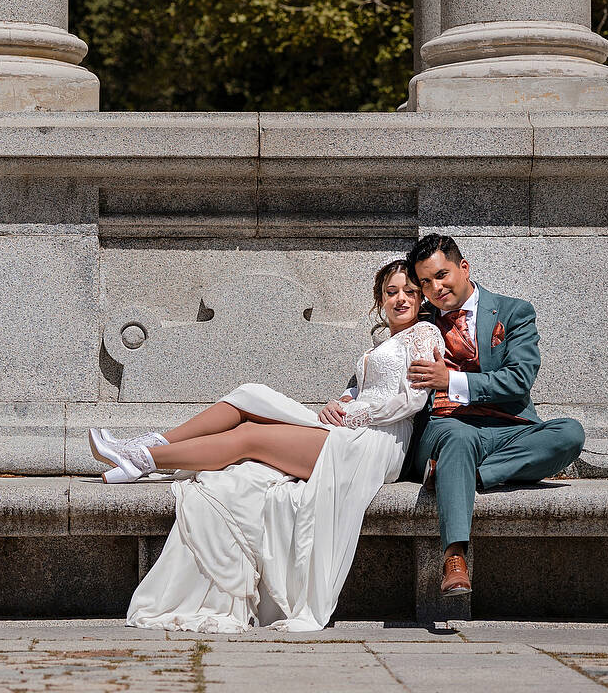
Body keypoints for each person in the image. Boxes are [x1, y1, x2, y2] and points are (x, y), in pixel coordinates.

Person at [91, 260, 444, 633]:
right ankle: (152, 444)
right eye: (392, 292)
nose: (401, 299)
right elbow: (361, 389)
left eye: (410, 292)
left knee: (250, 437)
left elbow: (412, 400)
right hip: (348, 430)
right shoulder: (385, 343)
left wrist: (355, 415)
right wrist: (339, 402)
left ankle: (143, 459)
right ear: (380, 299)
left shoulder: (424, 333)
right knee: (249, 396)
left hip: (374, 443)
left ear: (421, 298)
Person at [402, 234, 586, 598]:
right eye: (425, 282)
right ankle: (455, 559)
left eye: (441, 275)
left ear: (464, 268)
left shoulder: (514, 312)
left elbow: (519, 380)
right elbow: (382, 362)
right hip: (447, 428)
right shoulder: (418, 321)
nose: (435, 288)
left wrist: (451, 380)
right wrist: (348, 398)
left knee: (570, 434)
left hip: (508, 430)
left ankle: (457, 474)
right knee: (459, 438)